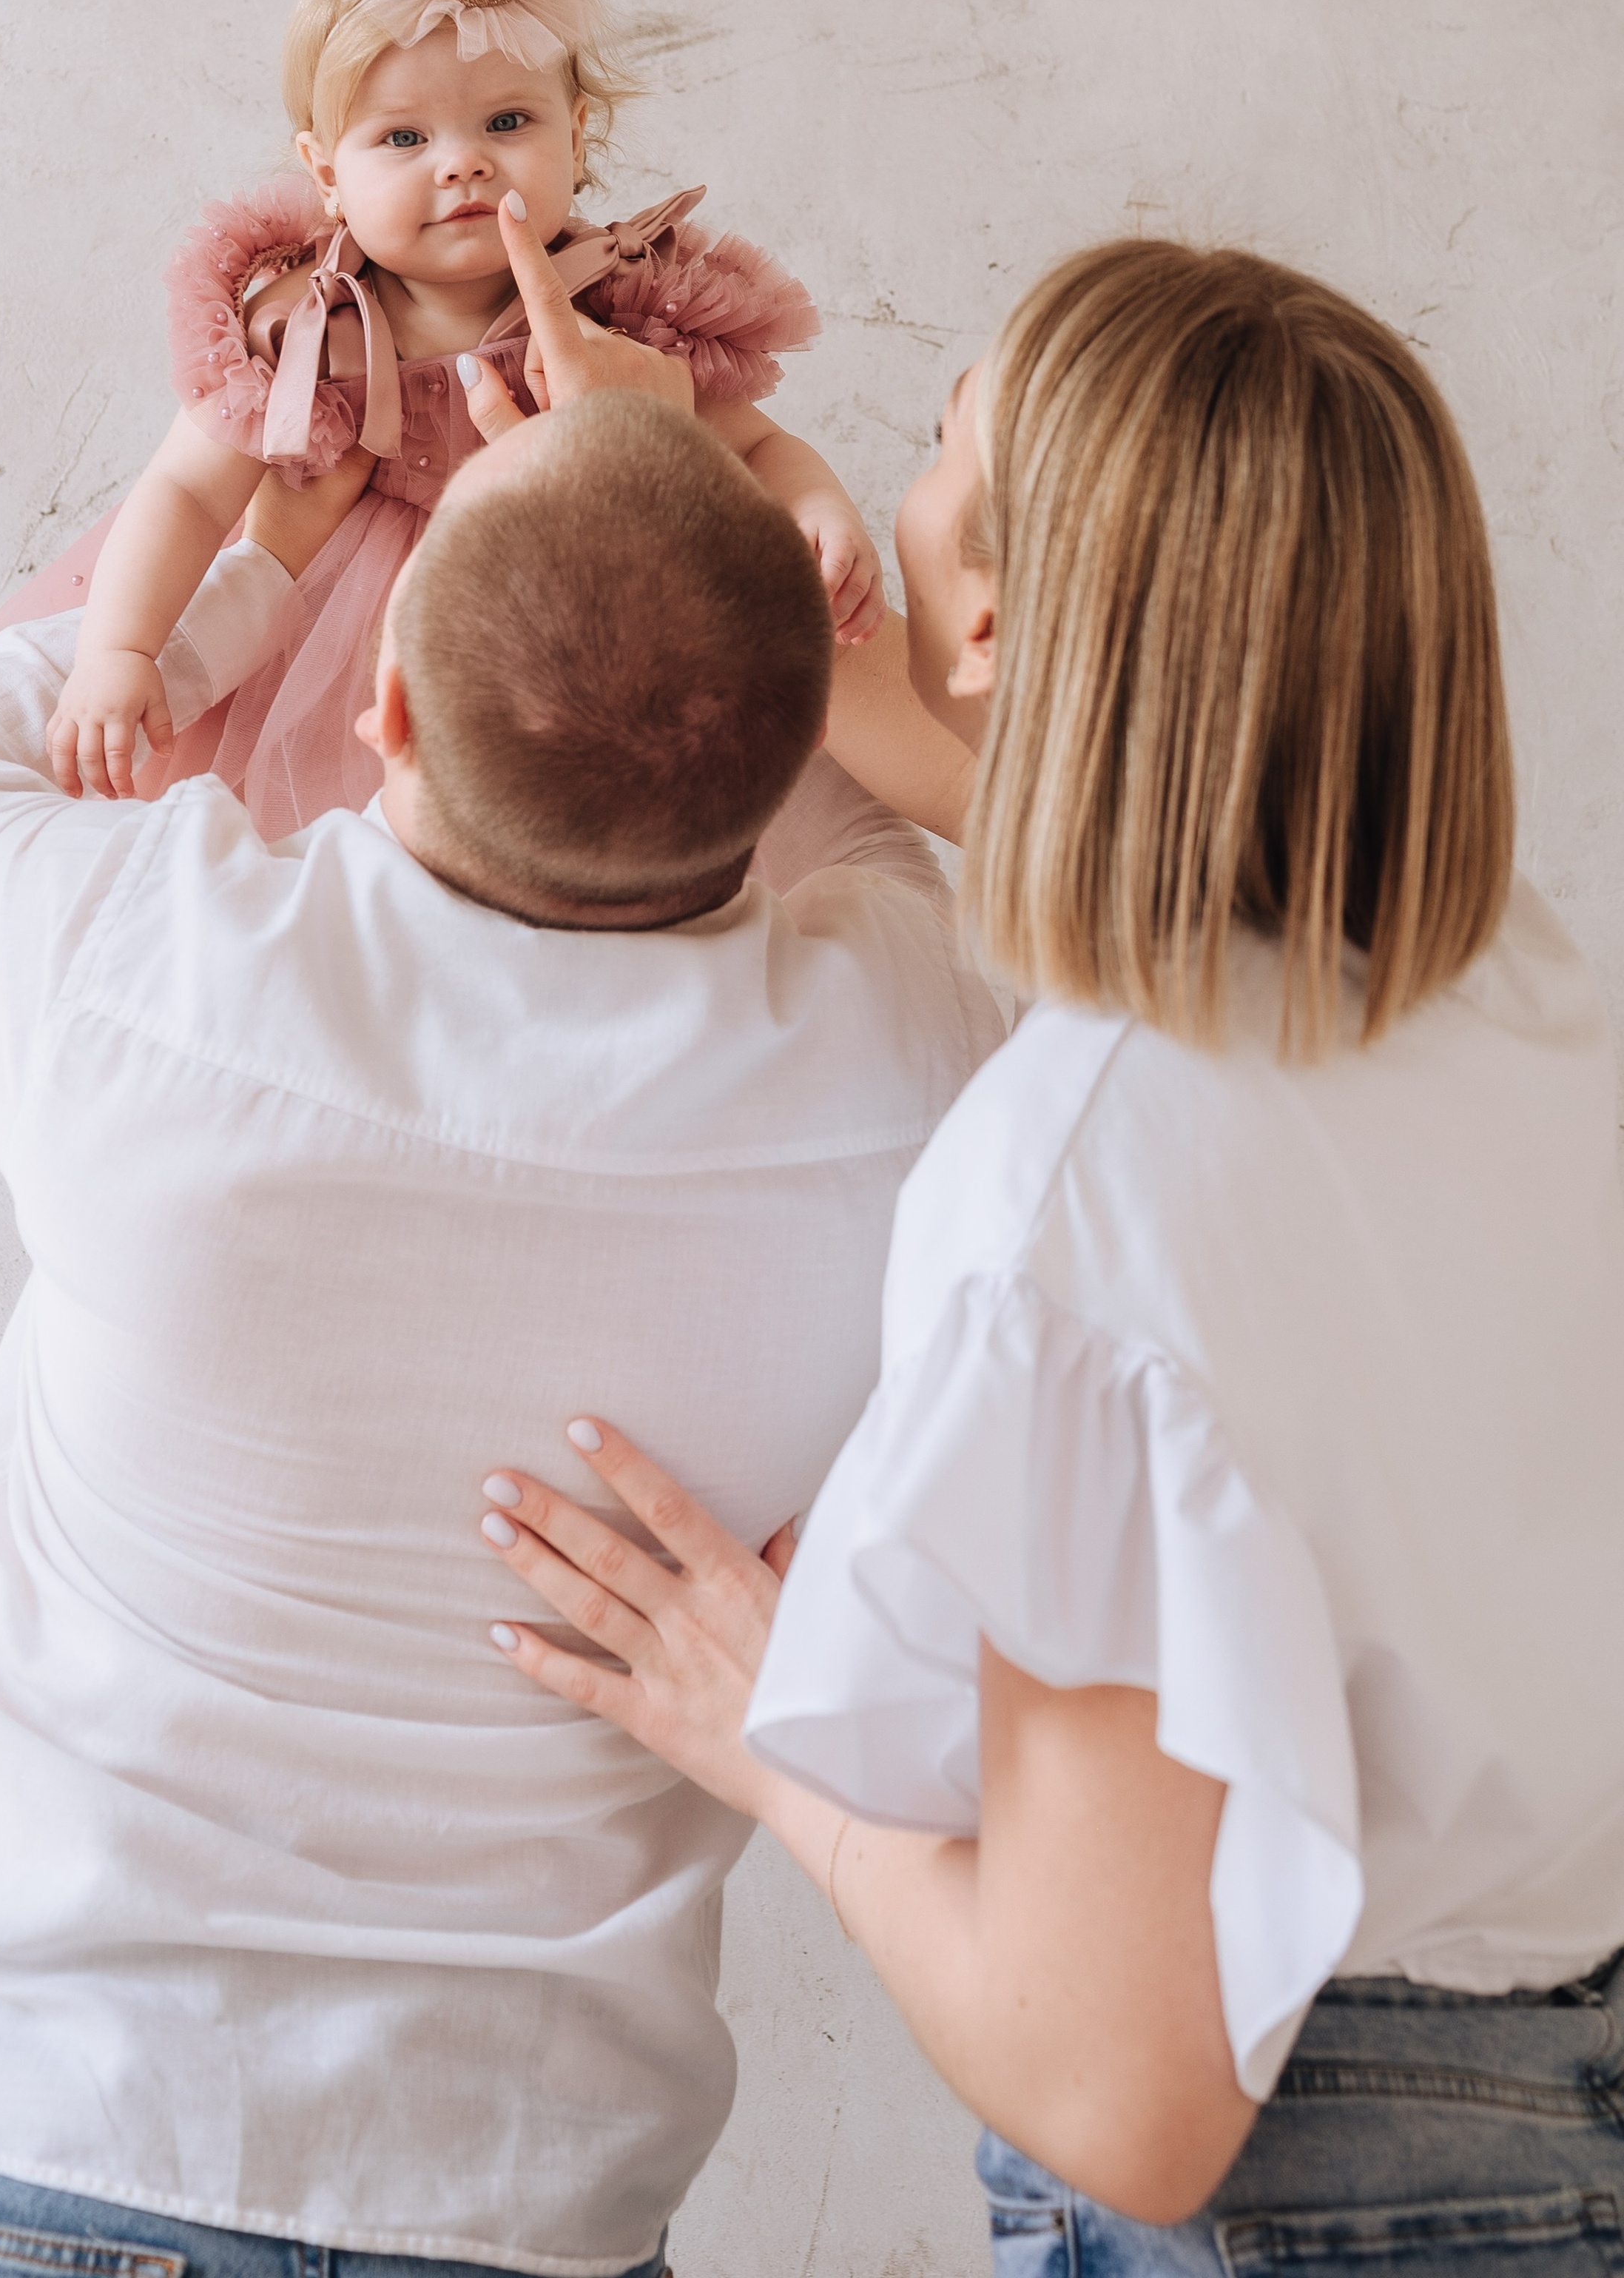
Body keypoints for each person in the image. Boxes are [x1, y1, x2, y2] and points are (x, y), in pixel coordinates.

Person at [0, 229, 1003, 2278]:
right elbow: (918, 831)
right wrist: (672, 486)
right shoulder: (915, 1060)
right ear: (789, 730)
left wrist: (259, 559)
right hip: (520, 2198)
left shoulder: (141, 972)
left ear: (389, 704)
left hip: (20, 2137)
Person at [479, 238, 1624, 2269]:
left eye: (937, 450)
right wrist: (691, 483)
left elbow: (1127, 2100)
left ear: (1000, 614)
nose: (900, 490)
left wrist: (773, 1748)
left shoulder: (1072, 1190)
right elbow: (1099, 805)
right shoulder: (1516, 1002)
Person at [0, 0, 898, 836]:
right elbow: (186, 491)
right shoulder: (310, 328)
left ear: (577, 136)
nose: (462, 162)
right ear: (325, 173)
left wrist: (820, 510)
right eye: (402, 138)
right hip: (336, 643)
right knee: (326, 843)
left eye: (507, 122)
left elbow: (752, 447)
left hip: (567, 630)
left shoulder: (618, 311)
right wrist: (120, 652)